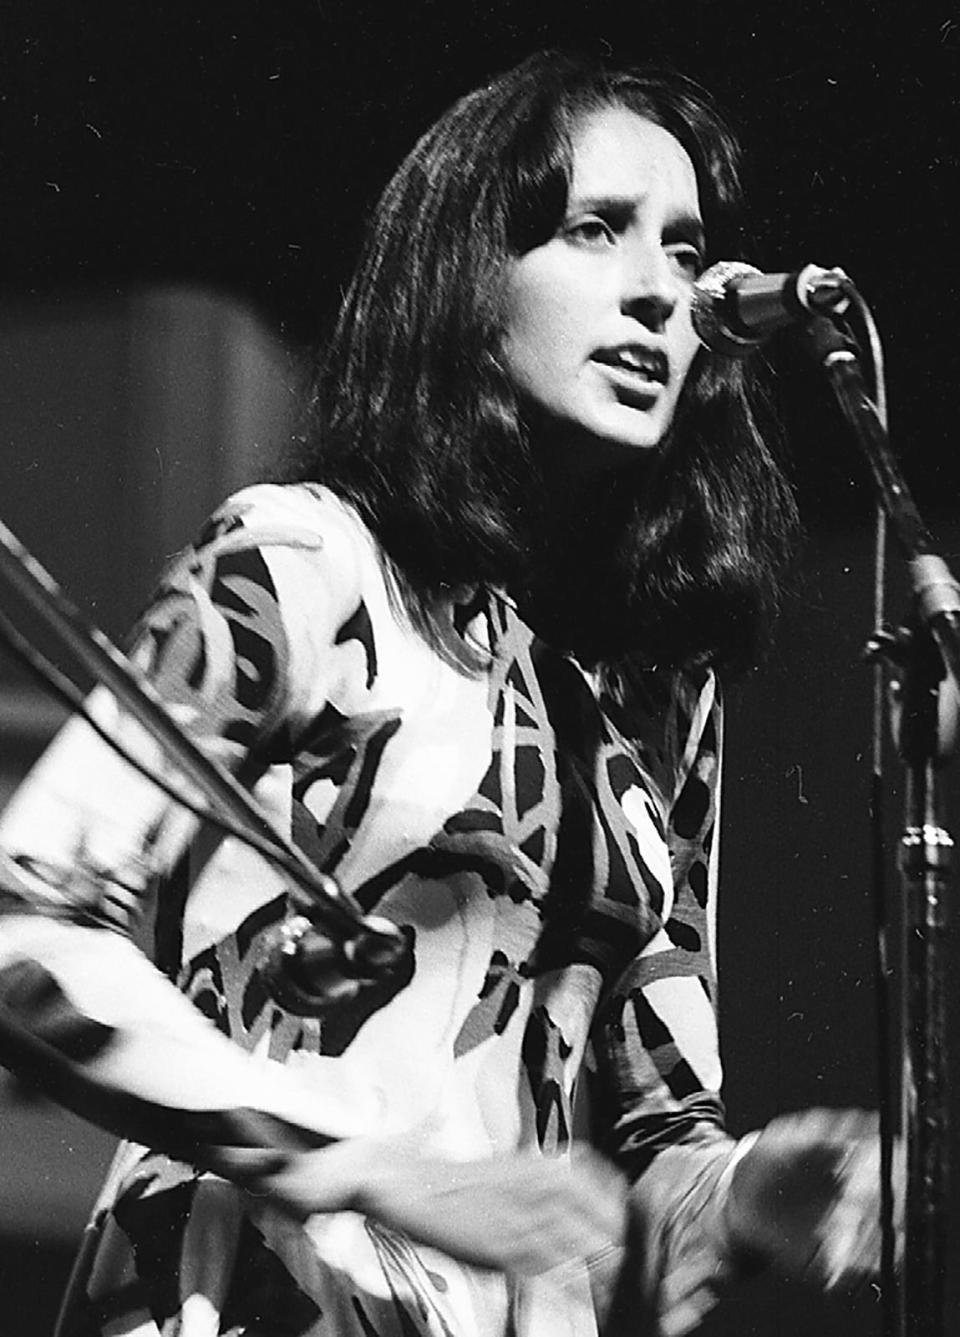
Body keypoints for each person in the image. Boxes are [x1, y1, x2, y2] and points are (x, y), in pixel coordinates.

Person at [0, 48, 885, 1337]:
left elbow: (652, 1132)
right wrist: (364, 1161)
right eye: (596, 231)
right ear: (468, 279)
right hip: (252, 1294)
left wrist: (748, 1195)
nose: (659, 294)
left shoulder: (657, 691)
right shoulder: (301, 561)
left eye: (688, 253)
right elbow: (23, 926)